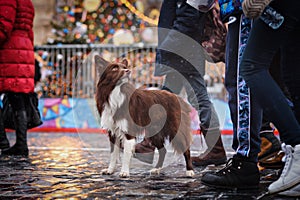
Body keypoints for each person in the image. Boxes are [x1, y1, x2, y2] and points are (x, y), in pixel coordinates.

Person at [202, 0, 300, 195]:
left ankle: (250, 158)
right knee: (289, 74)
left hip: (250, 8)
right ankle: (275, 146)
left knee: (248, 71)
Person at [135, 0, 227, 166]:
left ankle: (216, 150)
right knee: (167, 96)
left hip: (183, 51)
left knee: (197, 99)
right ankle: (149, 145)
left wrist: (167, 48)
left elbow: (187, 20)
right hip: (183, 50)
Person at [0, 0, 35, 156]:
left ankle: (2, 141)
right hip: (23, 49)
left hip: (10, 50)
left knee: (16, 98)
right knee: (17, 99)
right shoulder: (27, 2)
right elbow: (30, 31)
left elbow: (3, 27)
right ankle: (21, 144)